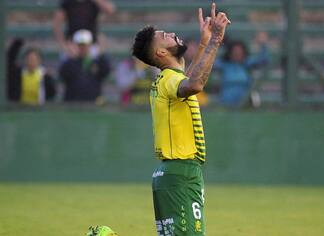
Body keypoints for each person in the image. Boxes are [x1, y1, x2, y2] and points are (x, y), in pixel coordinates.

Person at [131, 3, 230, 235]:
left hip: (170, 174)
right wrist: (216, 40)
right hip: (182, 172)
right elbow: (195, 84)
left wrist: (204, 42)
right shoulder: (169, 80)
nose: (171, 34)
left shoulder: (168, 79)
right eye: (164, 36)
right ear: (161, 53)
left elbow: (187, 78)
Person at [215, 31, 270, 108]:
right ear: (230, 53)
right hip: (226, 102)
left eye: (239, 52)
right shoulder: (224, 65)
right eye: (235, 52)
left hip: (244, 101)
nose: (237, 54)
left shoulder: (246, 64)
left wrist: (263, 44)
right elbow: (209, 62)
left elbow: (263, 60)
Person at [59, 29, 111, 102]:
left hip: (93, 103)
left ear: (90, 45)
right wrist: (72, 57)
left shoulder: (97, 61)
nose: (82, 48)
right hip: (72, 104)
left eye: (85, 45)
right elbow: (63, 74)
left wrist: (101, 54)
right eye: (79, 45)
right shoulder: (69, 62)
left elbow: (106, 71)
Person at [7, 38, 56, 105]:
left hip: (38, 111)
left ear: (39, 61)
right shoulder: (19, 74)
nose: (31, 62)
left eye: (34, 59)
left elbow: (52, 93)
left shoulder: (45, 76)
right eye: (29, 59)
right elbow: (8, 63)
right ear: (25, 60)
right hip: (20, 110)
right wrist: (16, 45)